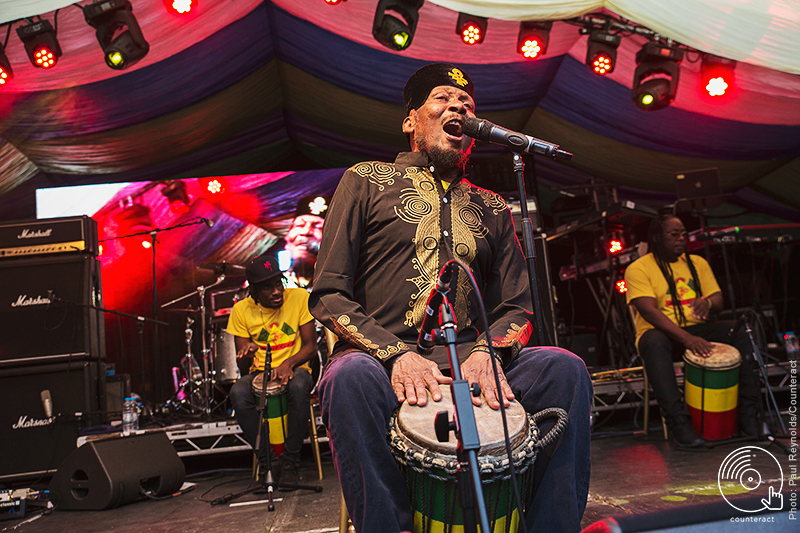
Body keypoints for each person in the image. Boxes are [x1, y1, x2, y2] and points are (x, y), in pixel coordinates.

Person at [309, 63, 592, 533]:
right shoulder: (364, 180)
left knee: (565, 368)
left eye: (467, 106)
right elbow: (329, 293)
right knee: (348, 378)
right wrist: (396, 354)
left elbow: (517, 305)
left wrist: (488, 351)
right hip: (381, 359)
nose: (458, 108)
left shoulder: (492, 205)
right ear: (410, 121)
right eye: (443, 99)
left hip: (472, 357)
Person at [624, 214, 760, 447]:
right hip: (661, 332)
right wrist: (687, 338)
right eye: (673, 234)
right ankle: (679, 423)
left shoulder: (697, 263)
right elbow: (648, 311)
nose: (681, 238)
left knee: (740, 329)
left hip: (697, 329)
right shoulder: (638, 268)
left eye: (684, 234)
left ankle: (749, 415)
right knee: (654, 342)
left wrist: (706, 302)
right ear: (657, 237)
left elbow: (718, 300)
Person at [227, 253, 317, 486]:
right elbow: (243, 367)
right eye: (267, 287)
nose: (276, 291)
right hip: (260, 371)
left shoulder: (298, 297)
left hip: (297, 366)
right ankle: (268, 464)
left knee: (298, 385)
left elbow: (311, 346)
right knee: (238, 392)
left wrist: (288, 364)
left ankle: (290, 463)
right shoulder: (241, 310)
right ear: (254, 290)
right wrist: (246, 354)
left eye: (278, 283)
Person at [283, 195, 329, 288]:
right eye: (299, 225)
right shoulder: (273, 283)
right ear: (287, 237)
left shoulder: (340, 283)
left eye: (318, 227)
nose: (306, 232)